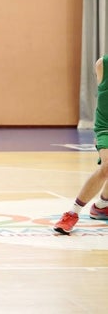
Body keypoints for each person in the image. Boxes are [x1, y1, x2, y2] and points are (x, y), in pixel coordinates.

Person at [54, 55, 108, 234]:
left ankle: (102, 205)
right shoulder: (103, 64)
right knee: (107, 166)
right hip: (106, 127)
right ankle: (72, 213)